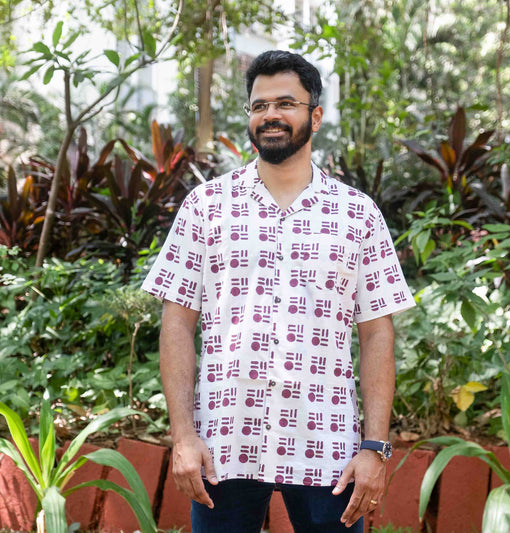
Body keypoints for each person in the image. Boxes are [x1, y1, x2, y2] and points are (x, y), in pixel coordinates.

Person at [142, 50, 415, 532]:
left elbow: (377, 334)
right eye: (259, 105)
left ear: (315, 115)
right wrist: (183, 436)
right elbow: (178, 324)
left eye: (285, 103)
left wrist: (374, 446)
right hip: (223, 444)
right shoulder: (205, 207)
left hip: (326, 444)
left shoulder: (357, 215)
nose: (270, 115)